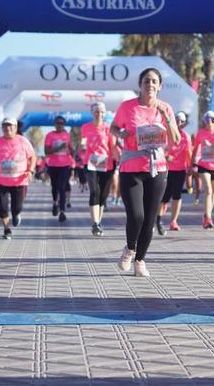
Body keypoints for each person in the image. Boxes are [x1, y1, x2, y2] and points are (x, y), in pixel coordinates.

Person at [110, 67, 180, 277]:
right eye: (146, 81)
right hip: (131, 166)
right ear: (140, 85)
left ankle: (140, 260)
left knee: (150, 218)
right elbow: (113, 127)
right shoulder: (127, 107)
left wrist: (166, 119)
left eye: (154, 81)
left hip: (157, 168)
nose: (150, 85)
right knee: (136, 215)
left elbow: (175, 139)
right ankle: (130, 249)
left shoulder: (165, 108)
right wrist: (122, 132)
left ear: (159, 86)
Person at [0, 118, 36, 239]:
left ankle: (16, 214)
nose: (7, 129)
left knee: (17, 207)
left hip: (19, 181)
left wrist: (30, 170)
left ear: (15, 128)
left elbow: (33, 156)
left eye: (10, 126)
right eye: (4, 127)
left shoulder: (23, 141)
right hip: (1, 181)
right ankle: (7, 230)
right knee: (3, 208)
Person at [79, 101, 118, 237]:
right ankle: (95, 223)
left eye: (101, 112)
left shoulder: (108, 129)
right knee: (94, 191)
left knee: (103, 194)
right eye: (96, 111)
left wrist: (118, 157)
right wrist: (82, 147)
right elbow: (83, 142)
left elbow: (112, 146)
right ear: (92, 113)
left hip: (106, 163)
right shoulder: (85, 127)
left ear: (105, 113)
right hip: (90, 163)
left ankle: (98, 222)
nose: (99, 114)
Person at [159, 111, 192, 233]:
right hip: (165, 169)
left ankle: (173, 221)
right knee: (164, 197)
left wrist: (190, 168)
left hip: (180, 169)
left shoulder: (186, 136)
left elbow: (189, 153)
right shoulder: (166, 135)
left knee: (177, 195)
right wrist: (165, 157)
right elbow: (160, 149)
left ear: (184, 123)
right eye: (176, 120)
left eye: (181, 121)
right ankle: (158, 219)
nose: (178, 123)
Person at [192, 110, 214, 229]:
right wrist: (192, 163)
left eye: (212, 119)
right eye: (207, 120)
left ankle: (207, 214)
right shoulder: (200, 133)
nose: (209, 122)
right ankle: (208, 218)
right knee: (208, 190)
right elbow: (195, 149)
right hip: (203, 164)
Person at [44, 115, 74, 222]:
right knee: (54, 187)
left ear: (64, 124)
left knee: (62, 188)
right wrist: (58, 148)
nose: (60, 125)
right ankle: (55, 202)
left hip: (65, 165)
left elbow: (70, 149)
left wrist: (73, 151)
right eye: (58, 123)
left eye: (62, 123)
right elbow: (46, 152)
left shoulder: (67, 135)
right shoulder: (49, 135)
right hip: (53, 165)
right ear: (54, 124)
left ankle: (62, 211)